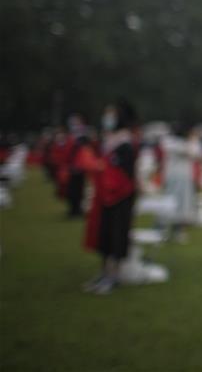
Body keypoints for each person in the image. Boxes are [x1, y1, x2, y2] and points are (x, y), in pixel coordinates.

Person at [83, 100, 139, 295]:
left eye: (111, 114)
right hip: (105, 195)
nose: (107, 118)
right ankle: (104, 272)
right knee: (103, 235)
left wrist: (102, 168)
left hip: (120, 196)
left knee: (116, 235)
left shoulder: (125, 143)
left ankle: (113, 276)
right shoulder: (109, 141)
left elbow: (124, 174)